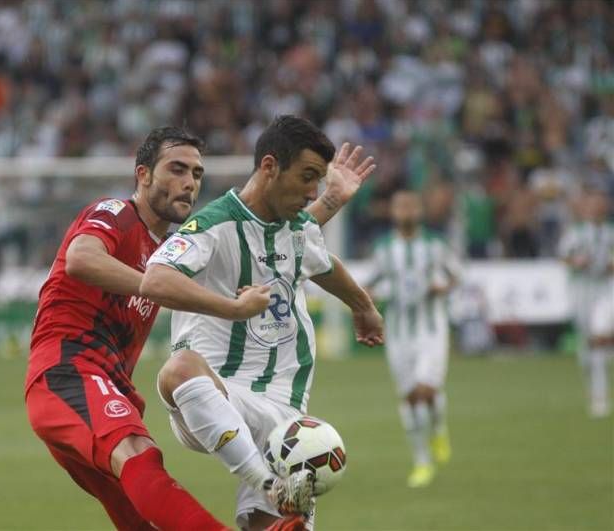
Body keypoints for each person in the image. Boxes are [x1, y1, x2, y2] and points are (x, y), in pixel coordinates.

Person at [25, 125, 361, 531]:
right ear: (143, 174)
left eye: (196, 175)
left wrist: (329, 201)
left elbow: (274, 237)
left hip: (112, 384)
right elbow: (81, 258)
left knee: (142, 516)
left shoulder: (174, 246)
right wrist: (160, 283)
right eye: (176, 170)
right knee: (139, 454)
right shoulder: (116, 214)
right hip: (68, 370)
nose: (188, 183)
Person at [140, 116, 383, 531]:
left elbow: (321, 261)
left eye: (319, 181)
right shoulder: (213, 225)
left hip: (286, 413)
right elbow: (154, 279)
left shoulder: (297, 228)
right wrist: (232, 308)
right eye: (308, 177)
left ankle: (273, 493)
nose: (313, 192)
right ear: (270, 167)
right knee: (178, 367)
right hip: (217, 393)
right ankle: (267, 482)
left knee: (272, 528)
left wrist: (363, 306)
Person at [364, 190, 461, 488]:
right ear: (393, 211)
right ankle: (422, 460)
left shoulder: (435, 245)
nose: (405, 211)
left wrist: (440, 287)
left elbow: (456, 276)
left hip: (431, 330)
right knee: (409, 397)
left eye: (410, 206)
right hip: (398, 333)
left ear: (419, 210)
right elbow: (371, 285)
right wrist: (375, 297)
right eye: (400, 206)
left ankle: (437, 434)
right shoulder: (383, 248)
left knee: (424, 390)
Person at [558, 187, 614, 418]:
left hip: (605, 288)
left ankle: (600, 398)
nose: (595, 209)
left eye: (599, 204)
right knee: (587, 345)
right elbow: (564, 257)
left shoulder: (610, 232)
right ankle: (593, 389)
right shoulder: (575, 233)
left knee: (597, 335)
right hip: (581, 289)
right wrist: (577, 262)